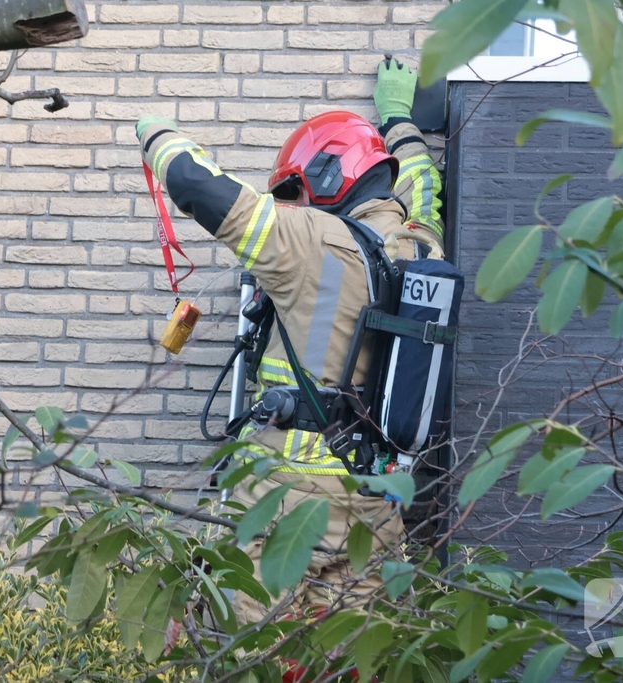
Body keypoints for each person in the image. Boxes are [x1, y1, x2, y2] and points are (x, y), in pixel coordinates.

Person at [135, 58, 445, 625]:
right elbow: (424, 187)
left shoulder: (307, 238)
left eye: (294, 191)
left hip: (290, 503)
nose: (289, 205)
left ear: (328, 176)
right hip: (376, 505)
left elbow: (198, 186)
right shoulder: (422, 249)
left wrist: (152, 130)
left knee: (252, 649)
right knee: (351, 653)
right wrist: (400, 118)